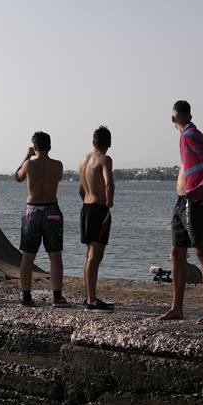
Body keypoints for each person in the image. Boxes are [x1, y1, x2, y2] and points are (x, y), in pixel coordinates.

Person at [157, 100, 203, 325]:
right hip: (181, 202)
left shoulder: (191, 135)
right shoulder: (186, 135)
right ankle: (177, 308)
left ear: (173, 119)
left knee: (202, 252)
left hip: (193, 201)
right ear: (189, 115)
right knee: (176, 252)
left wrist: (200, 189)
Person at [15, 132, 68, 307]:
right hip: (52, 208)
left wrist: (27, 155)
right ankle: (57, 296)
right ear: (50, 146)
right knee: (55, 255)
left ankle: (26, 295)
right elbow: (56, 179)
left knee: (28, 255)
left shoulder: (29, 164)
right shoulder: (58, 165)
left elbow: (17, 177)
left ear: (34, 147)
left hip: (32, 210)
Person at [78, 126, 115, 311]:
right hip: (98, 209)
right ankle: (92, 300)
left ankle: (89, 297)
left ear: (94, 142)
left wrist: (88, 201)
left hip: (85, 207)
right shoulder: (105, 159)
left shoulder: (83, 160)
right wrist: (109, 202)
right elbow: (109, 183)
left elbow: (80, 190)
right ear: (109, 143)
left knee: (88, 255)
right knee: (95, 255)